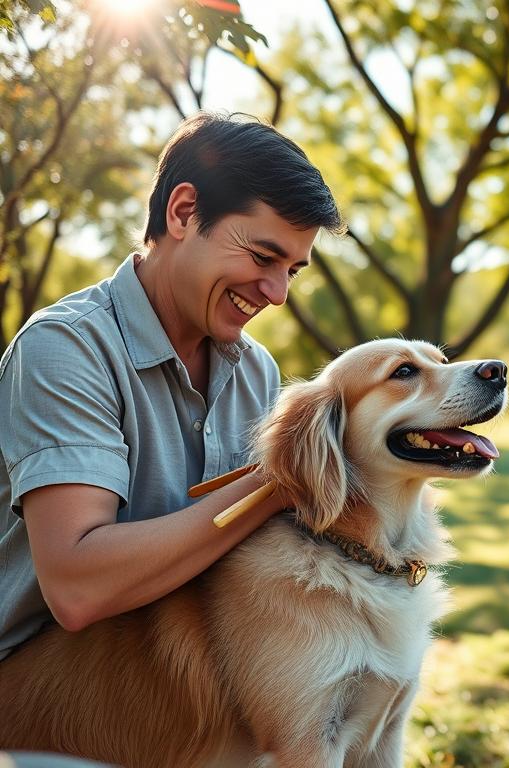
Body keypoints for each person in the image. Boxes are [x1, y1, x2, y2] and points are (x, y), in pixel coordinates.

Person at [0, 112, 343, 662]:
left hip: (181, 683)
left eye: (293, 271)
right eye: (262, 257)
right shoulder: (64, 349)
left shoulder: (257, 372)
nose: (277, 293)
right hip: (38, 702)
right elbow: (76, 588)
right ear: (183, 212)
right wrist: (278, 479)